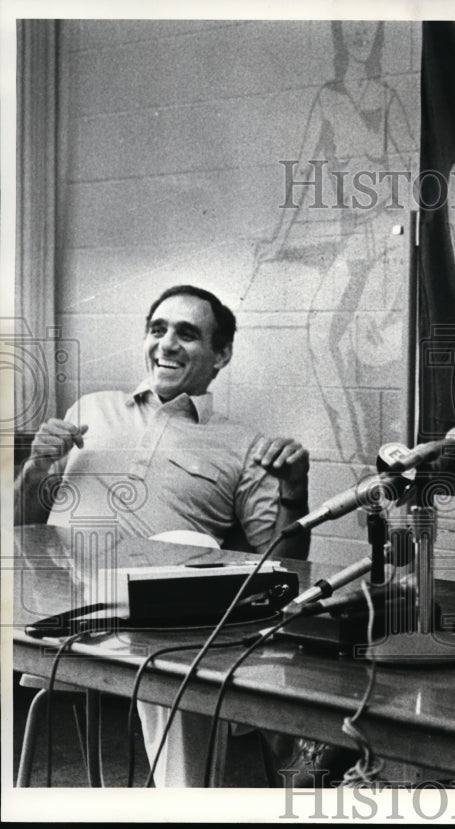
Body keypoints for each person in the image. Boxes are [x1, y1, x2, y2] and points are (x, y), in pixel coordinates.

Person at [14, 284, 312, 785]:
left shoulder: (245, 445)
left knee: (191, 551)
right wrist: (39, 466)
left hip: (161, 627)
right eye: (158, 329)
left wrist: (295, 491)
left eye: (188, 334)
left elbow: (278, 567)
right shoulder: (90, 409)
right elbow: (21, 528)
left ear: (221, 355)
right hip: (59, 613)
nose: (167, 344)